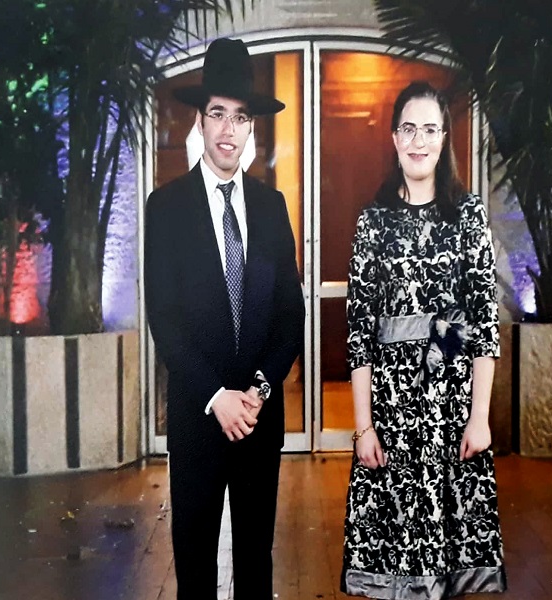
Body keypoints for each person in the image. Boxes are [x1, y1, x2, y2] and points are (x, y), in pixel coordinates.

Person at [144, 37, 305, 600]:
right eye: (218, 114)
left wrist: (257, 392)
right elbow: (164, 319)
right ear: (201, 120)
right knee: (194, 570)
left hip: (258, 420)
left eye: (240, 117)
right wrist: (218, 397)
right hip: (199, 417)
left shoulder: (271, 206)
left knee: (256, 567)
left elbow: (290, 315)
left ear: (251, 126)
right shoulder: (166, 208)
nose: (228, 130)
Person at [340, 81, 506, 598]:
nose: (419, 141)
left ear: (444, 139)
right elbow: (360, 332)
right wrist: (363, 428)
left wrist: (479, 417)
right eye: (409, 129)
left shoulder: (468, 215)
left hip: (451, 408)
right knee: (396, 562)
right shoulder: (373, 222)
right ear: (394, 138)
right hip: (391, 411)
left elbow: (483, 323)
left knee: (448, 563)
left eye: (430, 129)